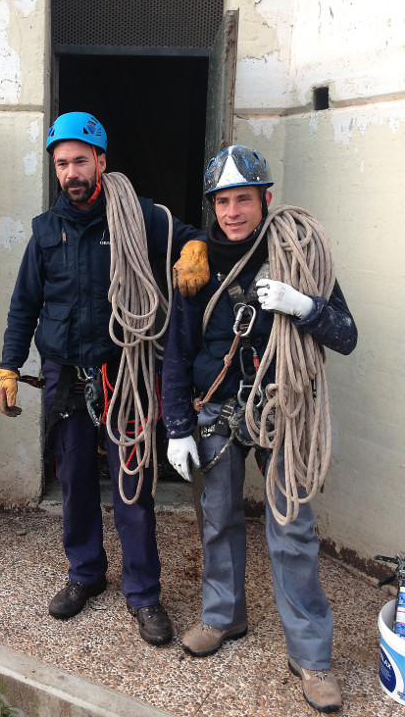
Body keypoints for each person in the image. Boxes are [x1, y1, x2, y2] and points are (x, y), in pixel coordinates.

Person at [0, 112, 210, 645]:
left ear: (101, 162)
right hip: (65, 373)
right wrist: (8, 363)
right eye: (61, 163)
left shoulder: (137, 217)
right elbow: (25, 304)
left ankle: (144, 594)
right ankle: (85, 575)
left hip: (125, 372)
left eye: (80, 160)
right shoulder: (46, 231)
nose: (71, 172)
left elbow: (188, 236)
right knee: (71, 480)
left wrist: (195, 249)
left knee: (132, 484)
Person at [162, 145, 357, 712]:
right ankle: (224, 618)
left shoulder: (297, 256)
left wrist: (305, 306)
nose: (232, 211)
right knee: (218, 521)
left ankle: (312, 655)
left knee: (292, 531)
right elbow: (176, 352)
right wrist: (176, 425)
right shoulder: (194, 265)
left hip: (282, 410)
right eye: (222, 201)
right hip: (216, 412)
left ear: (265, 199)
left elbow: (345, 335)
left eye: (243, 198)